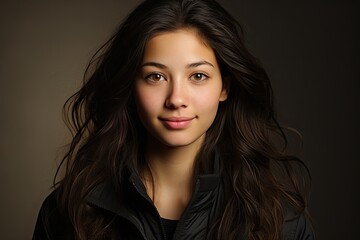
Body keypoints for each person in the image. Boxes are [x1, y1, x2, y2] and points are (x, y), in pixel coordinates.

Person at [33, 0, 315, 239]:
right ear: (130, 85)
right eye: (155, 76)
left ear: (225, 87)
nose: (176, 98)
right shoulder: (69, 213)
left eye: (198, 76)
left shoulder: (279, 224)